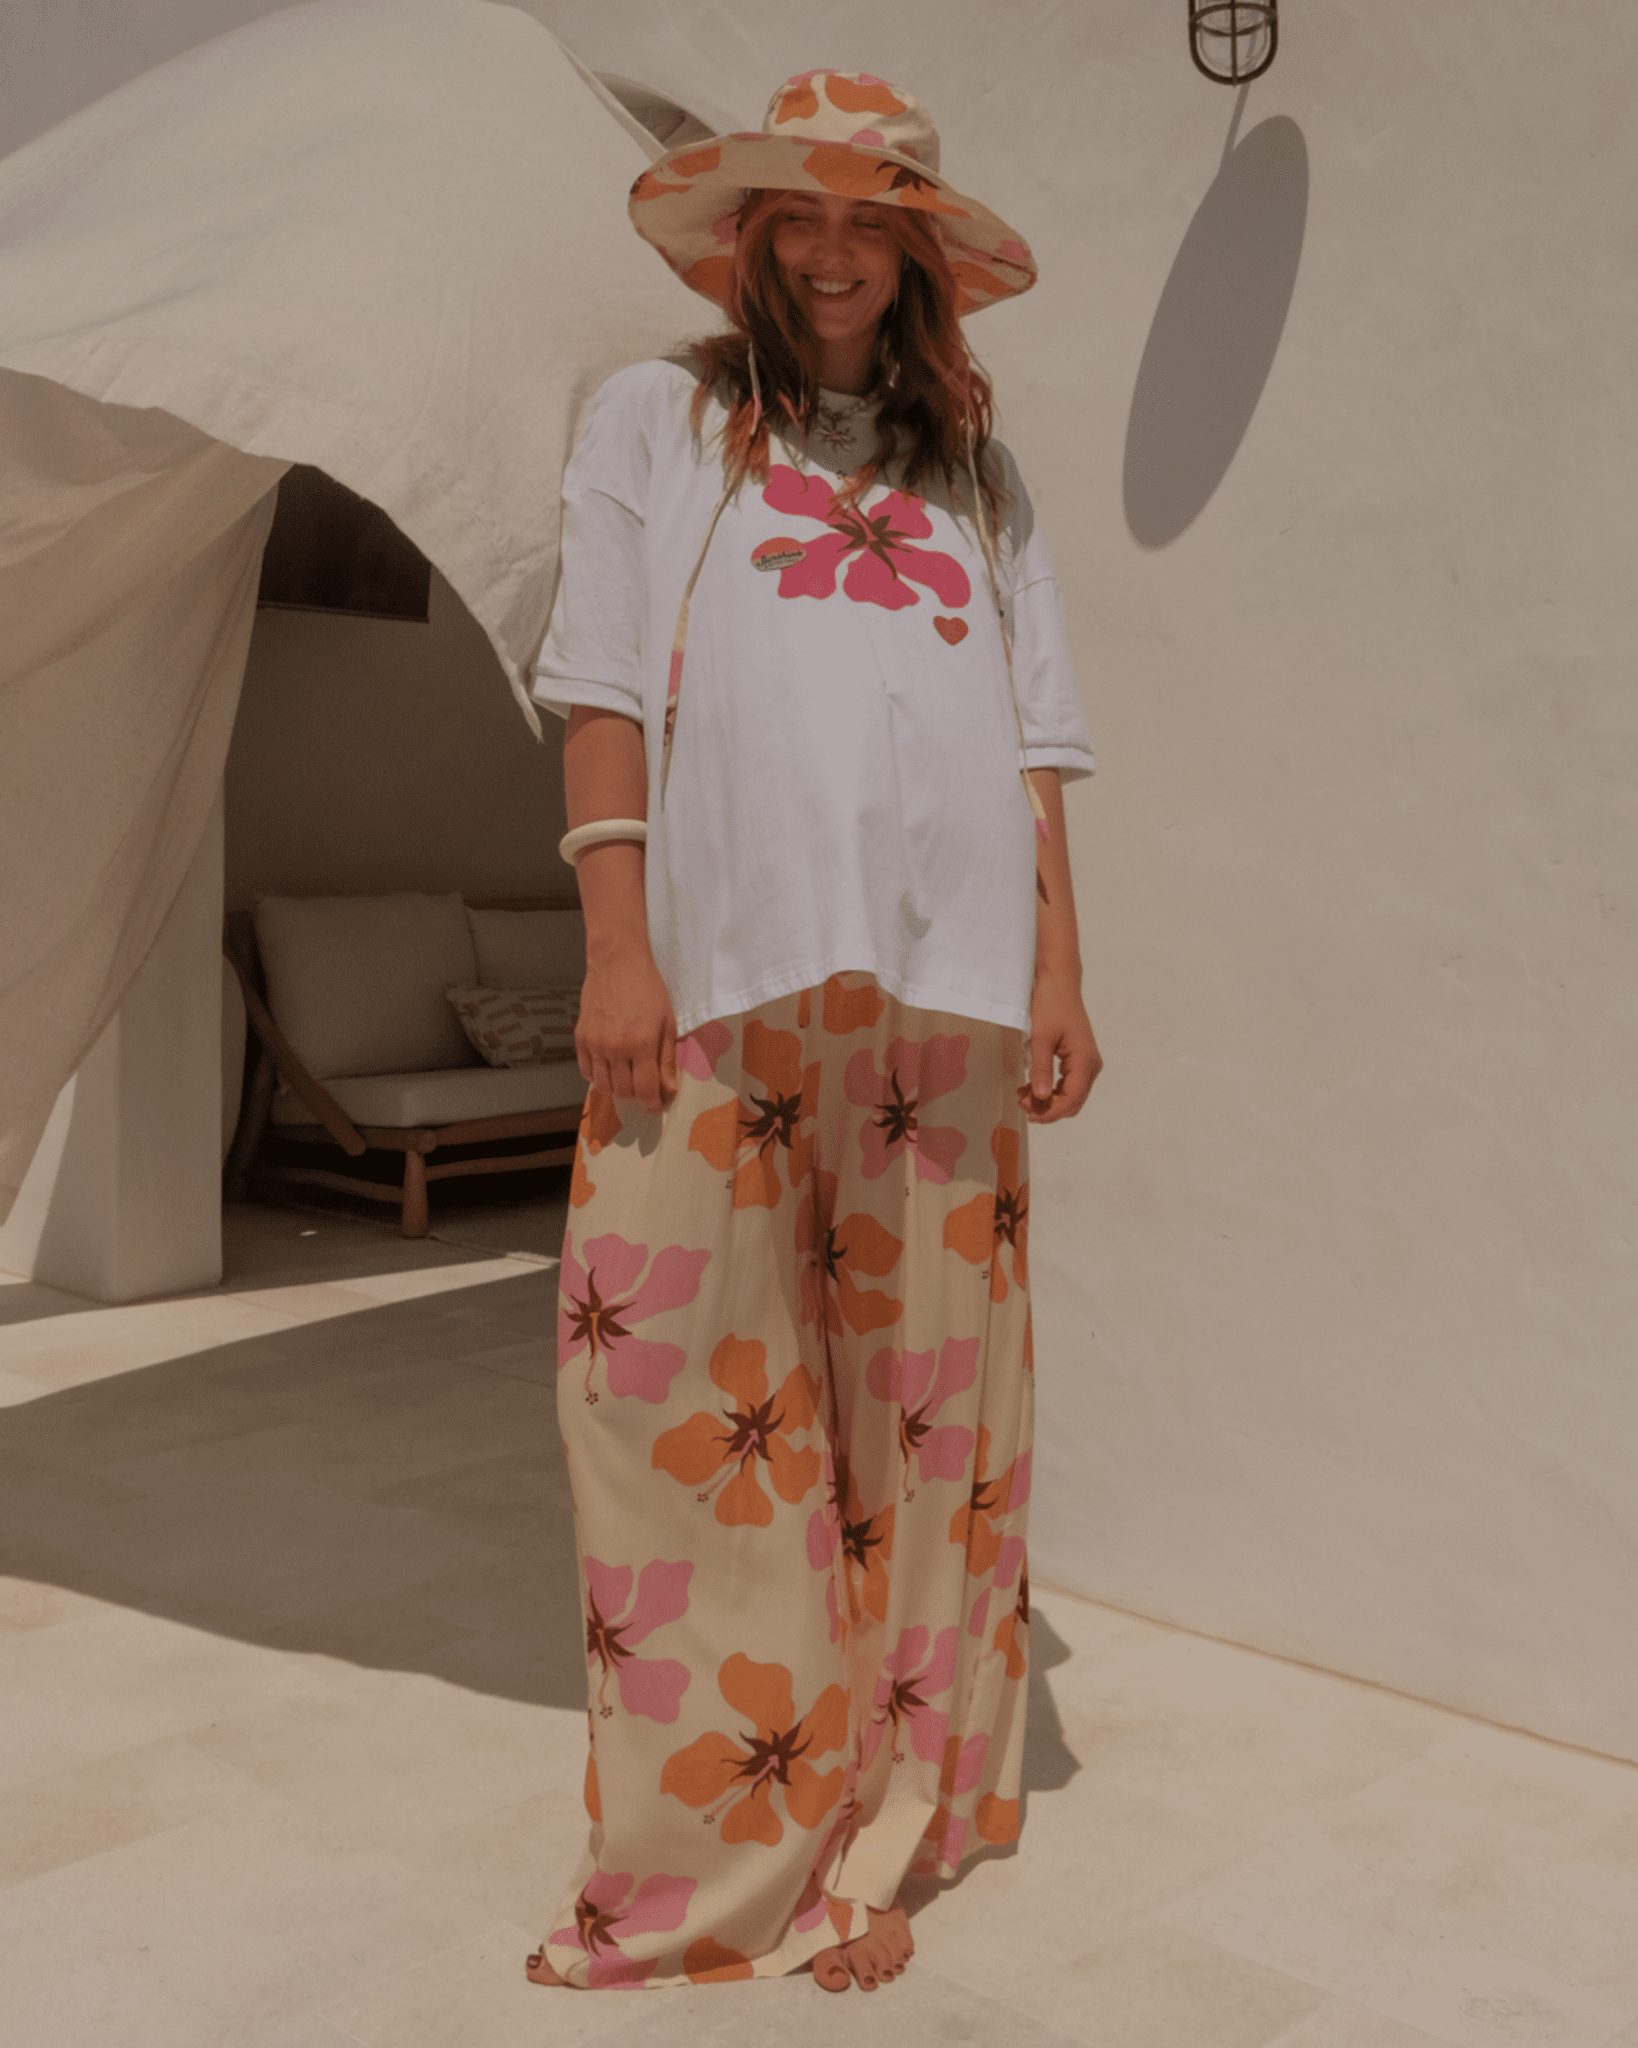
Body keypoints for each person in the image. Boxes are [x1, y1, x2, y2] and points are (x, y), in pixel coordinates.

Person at [526, 68, 1099, 1995]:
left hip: (949, 999)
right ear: (752, 239)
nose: (839, 250)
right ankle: (722, 1843)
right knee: (678, 1399)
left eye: (874, 220)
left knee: (927, 1421)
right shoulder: (659, 417)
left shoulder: (977, 473)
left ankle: (891, 1813)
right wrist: (618, 950)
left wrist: (1061, 973)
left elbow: (1033, 744)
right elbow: (602, 688)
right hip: (718, 981)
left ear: (914, 255)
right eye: (805, 216)